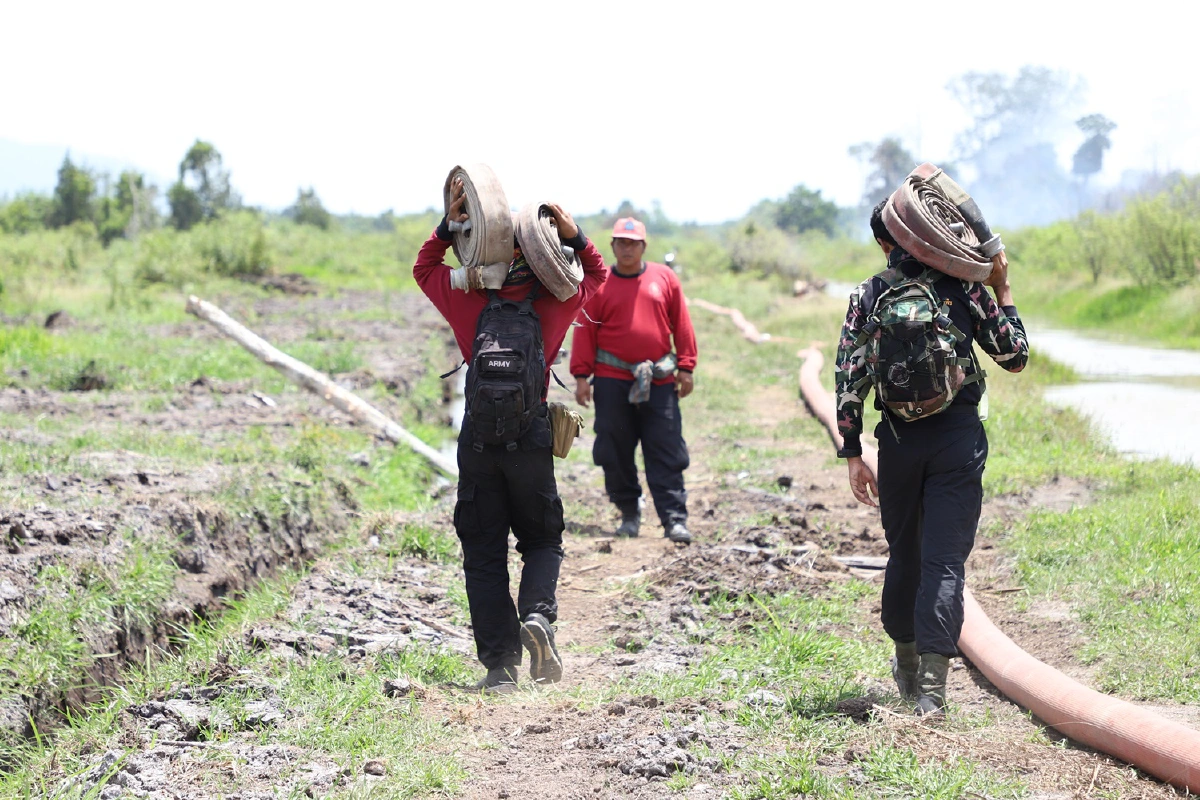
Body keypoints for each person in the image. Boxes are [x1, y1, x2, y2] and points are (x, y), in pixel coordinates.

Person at [834, 199, 1029, 715]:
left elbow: (849, 375)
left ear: (884, 242)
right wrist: (1003, 290)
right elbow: (1014, 357)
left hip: (898, 443)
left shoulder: (868, 294)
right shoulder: (965, 287)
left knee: (905, 555)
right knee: (943, 562)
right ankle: (932, 695)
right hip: (957, 442)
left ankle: (905, 665)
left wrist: (853, 452)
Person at [413, 179, 608, 693]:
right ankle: (538, 616)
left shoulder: (468, 301)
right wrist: (575, 235)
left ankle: (500, 667)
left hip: (478, 442)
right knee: (541, 538)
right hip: (531, 438)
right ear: (543, 255)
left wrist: (448, 226)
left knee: (483, 551)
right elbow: (599, 274)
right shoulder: (557, 302)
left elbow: (424, 269)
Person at [569, 217, 698, 544]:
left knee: (666, 448)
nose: (627, 249)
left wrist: (686, 366)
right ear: (613, 246)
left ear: (644, 246)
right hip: (611, 379)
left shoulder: (664, 278)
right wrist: (581, 375)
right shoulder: (598, 282)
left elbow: (681, 323)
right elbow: (585, 330)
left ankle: (674, 519)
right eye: (621, 243)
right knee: (614, 449)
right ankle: (629, 512)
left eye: (633, 243)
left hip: (659, 380)